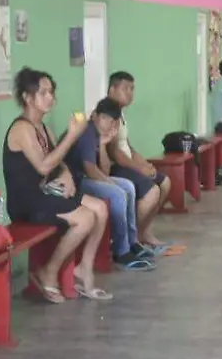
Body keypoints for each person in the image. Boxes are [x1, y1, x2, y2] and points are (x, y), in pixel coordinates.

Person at [3, 67, 112, 302]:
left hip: (46, 193)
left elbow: (57, 160)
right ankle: (49, 272)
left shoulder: (42, 127)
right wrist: (72, 136)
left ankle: (84, 268)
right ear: (27, 97)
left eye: (52, 92)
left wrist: (67, 175)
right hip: (27, 202)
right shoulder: (21, 128)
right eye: (43, 93)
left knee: (101, 209)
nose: (50, 98)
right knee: (85, 218)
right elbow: (43, 166)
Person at [64, 97, 156, 271]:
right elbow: (91, 170)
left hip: (87, 178)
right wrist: (110, 184)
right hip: (74, 182)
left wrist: (103, 145)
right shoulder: (87, 132)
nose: (108, 124)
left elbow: (104, 170)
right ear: (95, 116)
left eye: (113, 121)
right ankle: (121, 251)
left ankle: (132, 242)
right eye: (105, 118)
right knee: (118, 194)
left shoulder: (98, 135)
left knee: (128, 186)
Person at [105, 71, 177, 254]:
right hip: (116, 168)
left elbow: (127, 147)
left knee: (165, 183)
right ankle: (130, 238)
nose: (130, 93)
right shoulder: (107, 114)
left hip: (127, 164)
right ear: (112, 90)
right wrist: (139, 168)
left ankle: (143, 231)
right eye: (125, 89)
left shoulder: (120, 113)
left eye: (132, 89)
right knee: (152, 192)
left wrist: (145, 164)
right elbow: (114, 153)